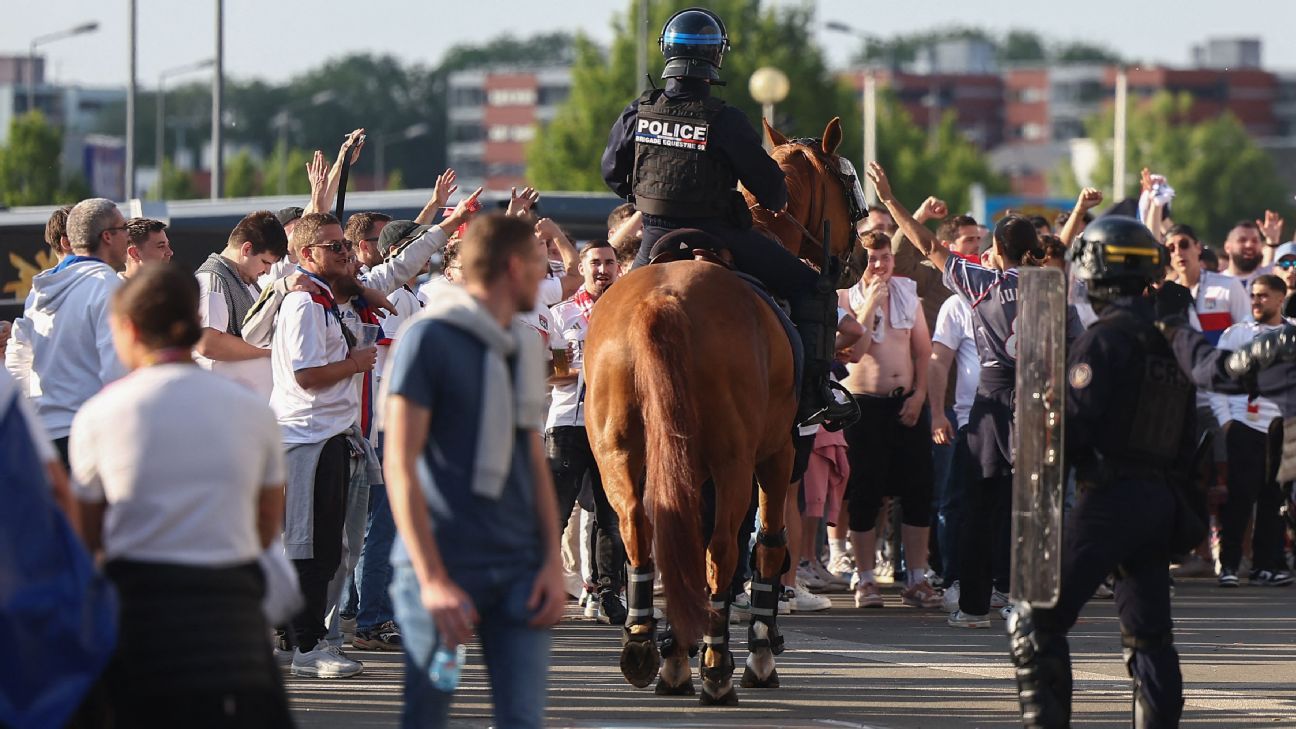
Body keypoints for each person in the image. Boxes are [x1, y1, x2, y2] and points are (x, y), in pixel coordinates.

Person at [599, 6, 855, 428]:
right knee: (815, 285)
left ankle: (598, 396)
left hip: (654, 237)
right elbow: (774, 193)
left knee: (610, 311)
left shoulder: (637, 111)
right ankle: (815, 395)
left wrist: (644, 195)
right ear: (715, 58)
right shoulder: (726, 120)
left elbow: (612, 171)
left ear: (667, 54)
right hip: (720, 232)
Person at [69, 264, 291, 727]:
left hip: (140, 618)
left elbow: (87, 539)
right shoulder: (253, 410)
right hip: (233, 616)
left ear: (129, 328)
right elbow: (267, 525)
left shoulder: (100, 414)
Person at [384, 213, 566, 729]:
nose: (545, 275)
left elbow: (534, 459)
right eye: (538, 263)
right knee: (427, 717)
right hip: (442, 566)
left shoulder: (520, 346)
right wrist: (433, 579)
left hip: (518, 569)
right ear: (513, 267)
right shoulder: (427, 338)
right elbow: (400, 460)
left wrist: (551, 562)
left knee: (523, 720)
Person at [270, 212, 379, 678]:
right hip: (307, 437)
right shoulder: (305, 305)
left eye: (346, 247)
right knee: (310, 548)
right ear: (307, 254)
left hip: (331, 435)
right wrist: (356, 363)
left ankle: (303, 639)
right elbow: (307, 375)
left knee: (326, 548)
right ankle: (306, 646)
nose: (347, 254)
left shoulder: (326, 302)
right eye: (336, 247)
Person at [838, 231, 941, 610]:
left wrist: (919, 396)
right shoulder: (847, 297)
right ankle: (865, 578)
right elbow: (851, 353)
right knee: (866, 493)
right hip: (864, 407)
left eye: (884, 257)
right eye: (872, 259)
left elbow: (923, 352)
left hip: (905, 406)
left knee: (918, 491)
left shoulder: (907, 294)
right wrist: (869, 309)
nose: (880, 265)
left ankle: (916, 577)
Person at [6, 198, 128, 463]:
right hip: (92, 436)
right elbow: (116, 370)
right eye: (124, 228)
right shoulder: (108, 287)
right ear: (107, 236)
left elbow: (18, 361)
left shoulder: (38, 292)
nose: (128, 237)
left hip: (47, 438)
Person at [545, 240, 627, 624]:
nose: (603, 270)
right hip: (570, 424)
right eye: (595, 263)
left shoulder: (628, 310)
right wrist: (596, 368)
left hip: (616, 426)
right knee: (557, 511)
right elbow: (555, 372)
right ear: (582, 266)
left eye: (610, 263)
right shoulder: (563, 314)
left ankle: (609, 590)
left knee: (611, 514)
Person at [1164, 224, 1249, 579]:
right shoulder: (1165, 292)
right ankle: (1198, 551)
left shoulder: (1227, 287)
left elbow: (1246, 333)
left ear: (1199, 248)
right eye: (1170, 247)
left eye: (1185, 245)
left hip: (1224, 397)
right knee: (1192, 476)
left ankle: (1239, 554)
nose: (1178, 252)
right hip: (1184, 397)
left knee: (1228, 474)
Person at [1211, 275, 1295, 587]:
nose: (1257, 301)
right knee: (1240, 498)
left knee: (1274, 499)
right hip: (1244, 425)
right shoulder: (1236, 334)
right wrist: (1227, 422)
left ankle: (1264, 566)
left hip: (1282, 430)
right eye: (1254, 296)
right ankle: (1229, 564)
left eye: (1263, 296)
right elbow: (1216, 381)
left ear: (1280, 298)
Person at [193, 211, 289, 398]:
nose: (267, 270)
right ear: (246, 249)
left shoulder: (247, 282)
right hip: (223, 409)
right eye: (265, 262)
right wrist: (271, 350)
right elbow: (208, 343)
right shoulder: (212, 279)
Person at [1222, 220, 1272, 290]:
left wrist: (1272, 240)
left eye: (1255, 241)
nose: (1249, 245)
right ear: (1227, 247)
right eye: (1242, 240)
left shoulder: (1268, 281)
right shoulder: (1216, 284)